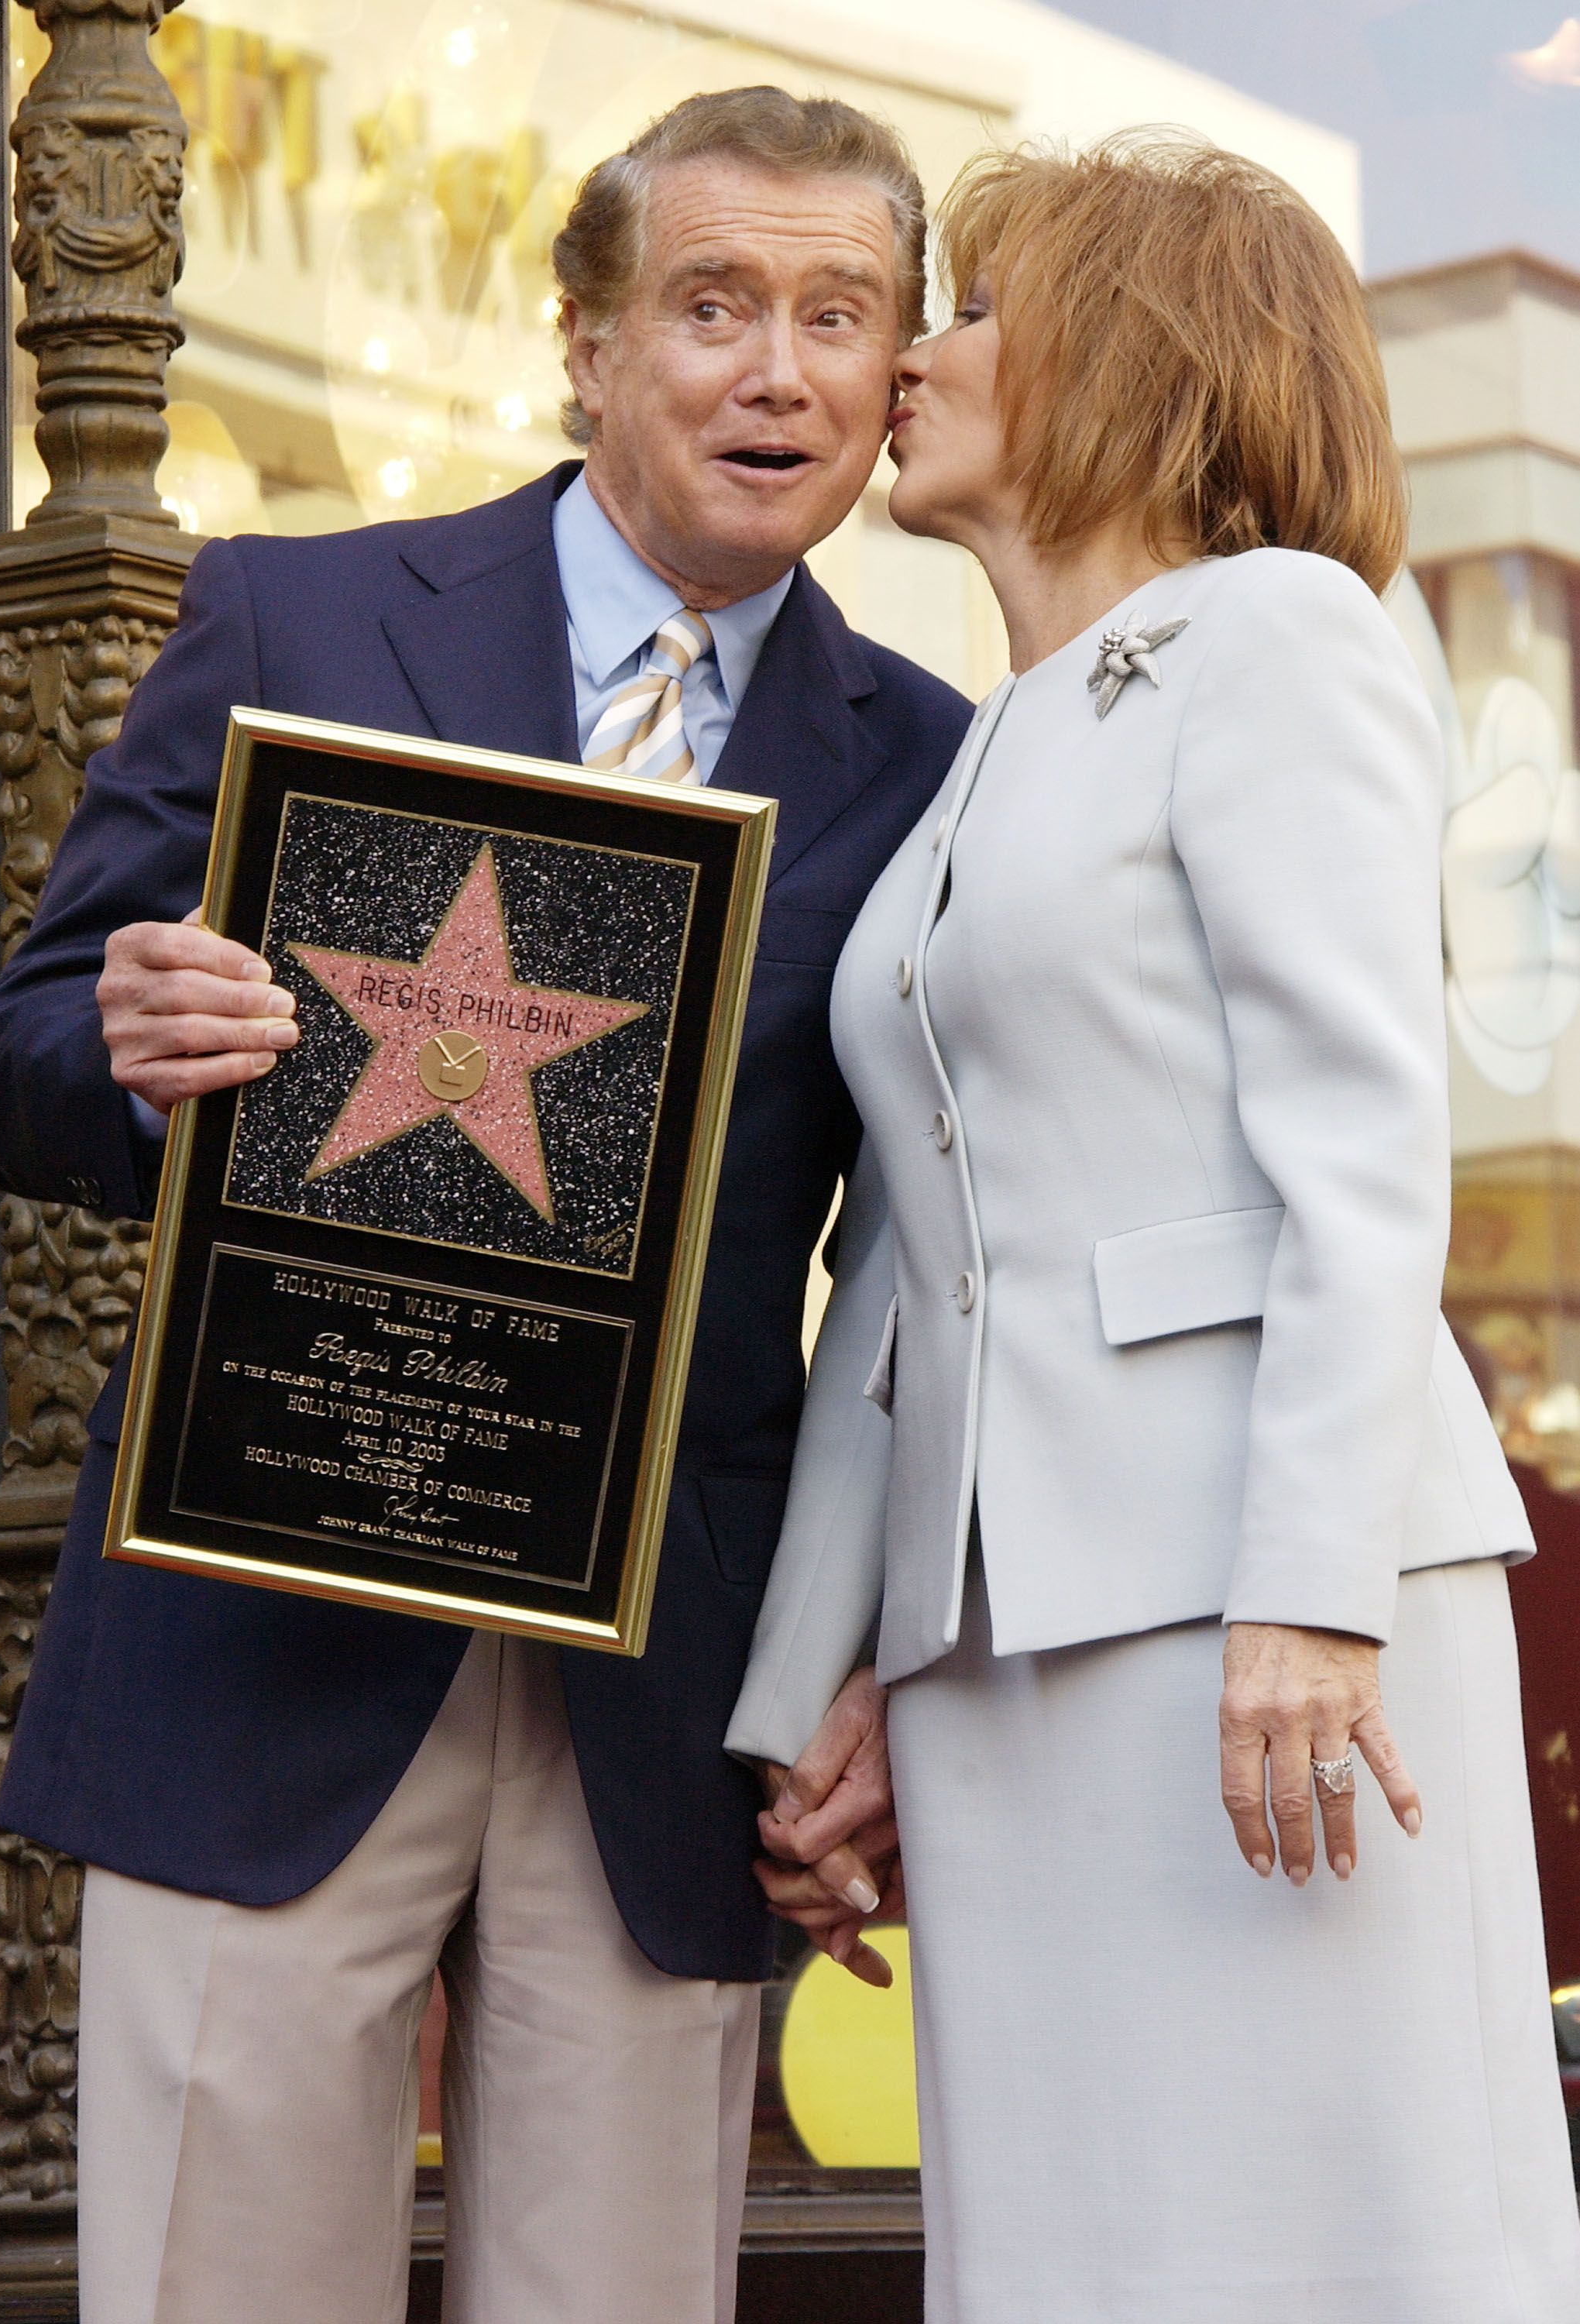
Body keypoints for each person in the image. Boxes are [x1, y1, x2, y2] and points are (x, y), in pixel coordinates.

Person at [0, 88, 969, 2324]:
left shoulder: (926, 761)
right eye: (713, 304)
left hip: (664, 1681)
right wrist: (135, 1047)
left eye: (839, 316)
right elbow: (26, 1063)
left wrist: (872, 1666)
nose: (778, 372)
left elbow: (912, 1284)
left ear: (895, 378)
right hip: (259, 1626)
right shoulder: (289, 619)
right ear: (586, 346)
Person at [729, 134, 1580, 2322]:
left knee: (1348, 2240)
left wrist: (1304, 1589)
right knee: (1077, 2256)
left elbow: (1363, 1150)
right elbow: (907, 1275)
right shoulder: (986, 754)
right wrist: (821, 1681)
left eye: (969, 311)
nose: (908, 356)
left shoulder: (1278, 637)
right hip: (1006, 1655)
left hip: (1272, 1621)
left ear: (1136, 355)